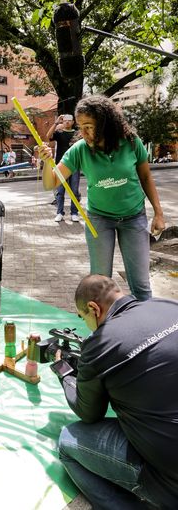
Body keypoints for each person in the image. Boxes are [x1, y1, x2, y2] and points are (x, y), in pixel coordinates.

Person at [52, 274, 178, 509]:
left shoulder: (100, 343)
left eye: (83, 318)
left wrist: (65, 373)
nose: (86, 326)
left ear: (93, 308)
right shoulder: (167, 305)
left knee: (68, 440)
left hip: (170, 481)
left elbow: (88, 413)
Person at [39, 95, 165, 300]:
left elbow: (145, 176)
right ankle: (104, 330)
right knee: (100, 285)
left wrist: (158, 213)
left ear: (105, 122)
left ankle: (145, 328)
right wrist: (46, 162)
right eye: (81, 127)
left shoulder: (131, 142)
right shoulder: (80, 150)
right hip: (99, 219)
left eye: (89, 126)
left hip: (134, 217)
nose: (84, 133)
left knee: (141, 286)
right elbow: (50, 183)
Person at [46, 113, 81, 222]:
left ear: (73, 122)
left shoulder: (77, 134)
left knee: (74, 191)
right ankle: (60, 213)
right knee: (60, 191)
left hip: (74, 166)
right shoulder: (59, 133)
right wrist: (56, 122)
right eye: (65, 120)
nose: (67, 122)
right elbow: (48, 136)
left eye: (69, 120)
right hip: (60, 166)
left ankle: (74, 213)